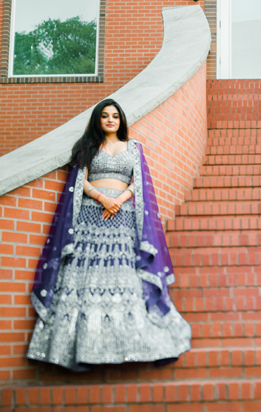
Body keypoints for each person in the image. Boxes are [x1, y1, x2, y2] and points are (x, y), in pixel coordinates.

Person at [27, 99, 191, 371]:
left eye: (115, 116)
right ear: (98, 120)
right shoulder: (87, 147)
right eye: (105, 116)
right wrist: (103, 198)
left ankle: (135, 343)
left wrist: (120, 199)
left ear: (122, 120)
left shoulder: (134, 147)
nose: (111, 120)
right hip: (91, 216)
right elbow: (81, 181)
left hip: (123, 218)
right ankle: (79, 346)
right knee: (87, 274)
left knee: (123, 274)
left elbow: (140, 181)